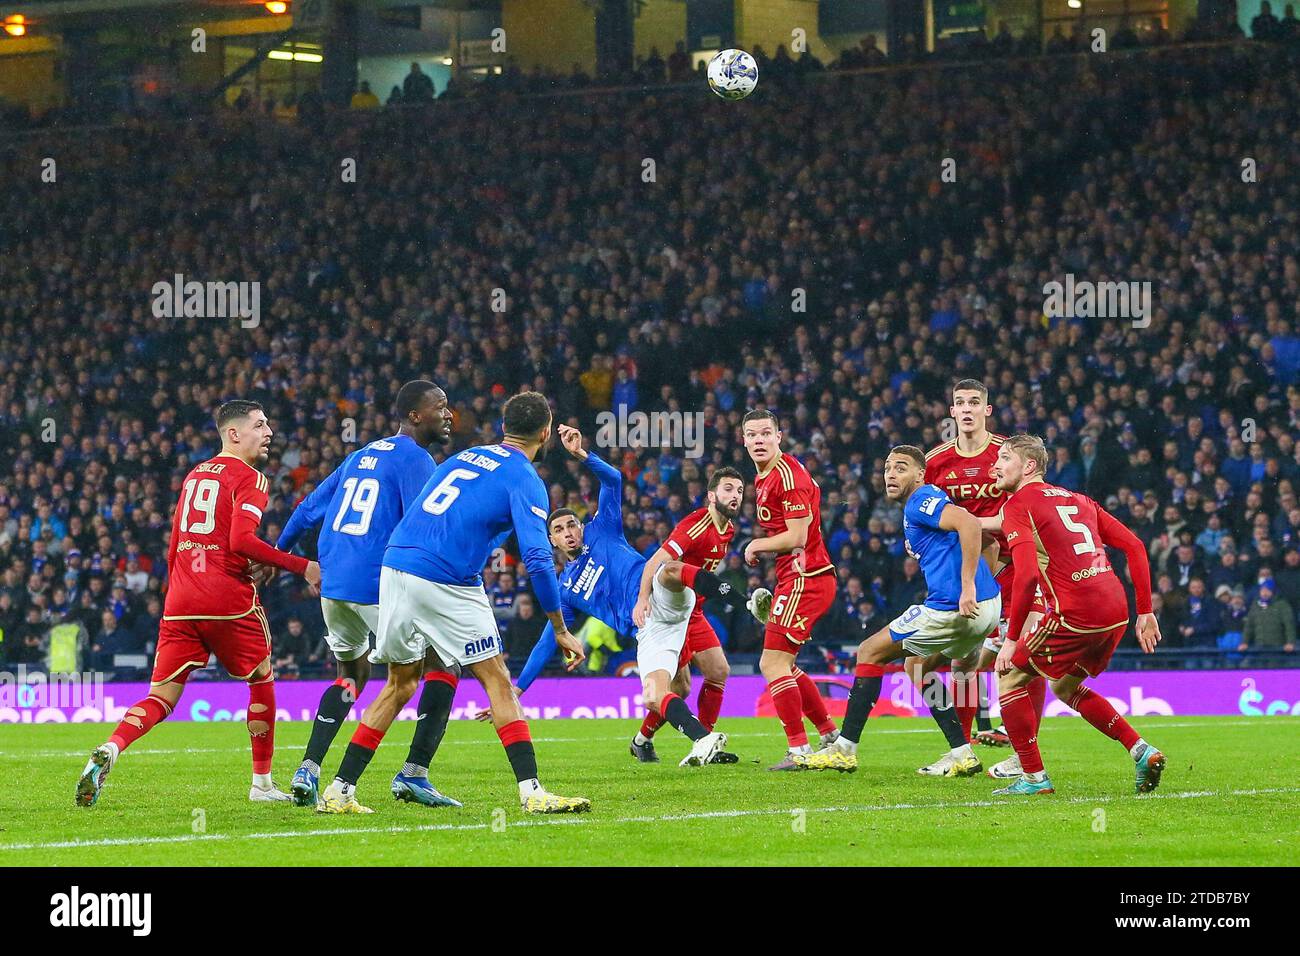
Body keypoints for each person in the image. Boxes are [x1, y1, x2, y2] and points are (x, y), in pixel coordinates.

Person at [317, 392, 590, 815]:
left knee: (399, 682)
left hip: (395, 567)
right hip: (444, 578)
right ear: (544, 431)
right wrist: (559, 626)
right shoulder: (525, 478)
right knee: (497, 677)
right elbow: (538, 558)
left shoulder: (467, 456)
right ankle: (532, 791)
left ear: (504, 427)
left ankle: (339, 789)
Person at [76, 400, 322, 807]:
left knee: (162, 696)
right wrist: (302, 566)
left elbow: (174, 544)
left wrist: (179, 592)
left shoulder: (195, 474)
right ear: (234, 434)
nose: (269, 433)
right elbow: (239, 542)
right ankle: (262, 784)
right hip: (226, 597)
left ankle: (112, 748)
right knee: (261, 678)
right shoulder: (252, 478)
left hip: (181, 599)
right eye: (260, 425)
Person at [276, 381, 461, 809]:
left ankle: (309, 766)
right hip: (376, 586)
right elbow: (426, 529)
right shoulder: (417, 458)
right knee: (442, 665)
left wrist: (279, 555)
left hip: (334, 587)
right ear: (415, 416)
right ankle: (411, 774)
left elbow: (306, 509)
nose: (448, 415)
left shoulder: (360, 455)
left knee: (350, 676)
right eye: (441, 407)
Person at [516, 426, 739, 768]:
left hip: (659, 597)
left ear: (581, 525)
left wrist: (583, 455)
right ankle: (648, 740)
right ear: (553, 542)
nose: (569, 533)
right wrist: (519, 690)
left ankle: (735, 596)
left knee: (669, 568)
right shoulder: (566, 590)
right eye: (559, 530)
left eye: (572, 525)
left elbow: (614, 480)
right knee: (665, 693)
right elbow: (550, 640)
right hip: (648, 629)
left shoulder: (602, 528)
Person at [799, 446, 1001, 775]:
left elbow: (970, 524)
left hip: (954, 606)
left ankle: (844, 748)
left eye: (901, 468)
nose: (891, 474)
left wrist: (968, 586)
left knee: (869, 651)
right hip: (987, 608)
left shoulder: (922, 499)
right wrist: (984, 590)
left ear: (920, 474)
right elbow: (989, 541)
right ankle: (962, 751)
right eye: (888, 468)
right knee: (916, 666)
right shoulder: (927, 504)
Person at [989, 434, 1165, 796]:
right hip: (1115, 610)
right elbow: (1135, 545)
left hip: (1076, 612)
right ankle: (1140, 750)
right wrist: (1145, 611)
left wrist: (1010, 640)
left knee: (1008, 678)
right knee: (1064, 685)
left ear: (1029, 466)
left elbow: (1026, 577)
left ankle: (1034, 778)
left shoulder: (1018, 505)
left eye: (1005, 458)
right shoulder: (1078, 499)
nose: (996, 465)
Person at [740, 409, 841, 770]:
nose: (758, 440)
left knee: (771, 662)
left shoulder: (787, 476)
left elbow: (798, 537)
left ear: (779, 436)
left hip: (807, 578)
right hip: (796, 578)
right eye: (752, 435)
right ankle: (829, 732)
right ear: (744, 440)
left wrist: (755, 546)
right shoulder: (766, 476)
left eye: (765, 433)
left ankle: (799, 750)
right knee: (787, 665)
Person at [628, 466, 743, 762]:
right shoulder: (695, 525)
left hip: (696, 610)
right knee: (677, 689)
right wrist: (643, 598)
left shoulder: (727, 530)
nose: (735, 496)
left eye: (740, 491)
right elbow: (658, 561)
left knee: (718, 672)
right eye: (728, 489)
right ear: (711, 495)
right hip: (673, 610)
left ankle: (705, 743)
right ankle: (646, 740)